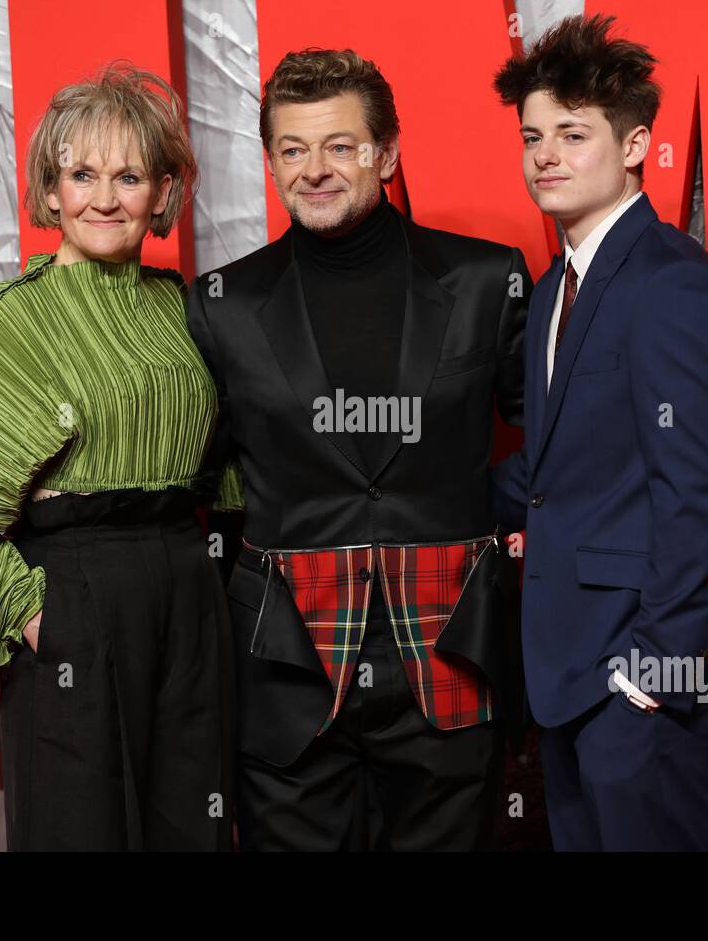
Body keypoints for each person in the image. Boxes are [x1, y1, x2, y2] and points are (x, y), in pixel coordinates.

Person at [0, 60, 237, 851]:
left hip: (188, 597)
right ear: (50, 188)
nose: (105, 198)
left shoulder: (184, 308)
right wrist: (36, 612)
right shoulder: (18, 324)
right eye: (83, 174)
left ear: (164, 193)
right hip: (78, 601)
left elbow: (232, 462)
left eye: (130, 175)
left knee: (193, 830)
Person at [187, 48, 530, 851]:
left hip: (451, 660)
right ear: (270, 160)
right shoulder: (222, 305)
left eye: (341, 146)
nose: (316, 170)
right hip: (287, 672)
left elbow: (553, 453)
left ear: (389, 152)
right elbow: (197, 485)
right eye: (293, 150)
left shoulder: (487, 280)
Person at [490, 14, 708, 851]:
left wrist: (652, 668)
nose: (546, 155)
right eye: (535, 135)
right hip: (567, 669)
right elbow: (550, 465)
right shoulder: (553, 289)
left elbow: (701, 491)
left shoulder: (670, 281)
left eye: (573, 135)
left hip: (638, 676)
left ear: (637, 143)